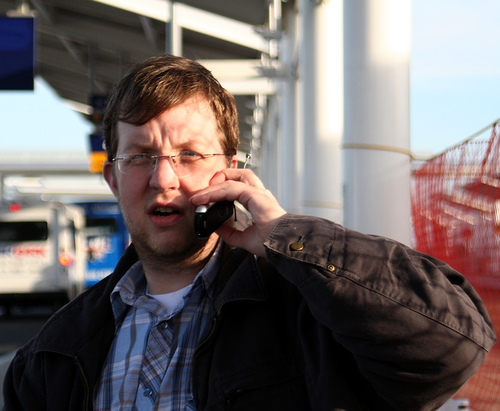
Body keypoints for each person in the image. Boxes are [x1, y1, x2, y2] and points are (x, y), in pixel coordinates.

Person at [2, 54, 496, 411]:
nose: (164, 178)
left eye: (189, 154)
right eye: (140, 156)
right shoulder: (52, 353)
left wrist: (289, 236)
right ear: (113, 179)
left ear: (232, 172)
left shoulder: (308, 314)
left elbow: (453, 346)